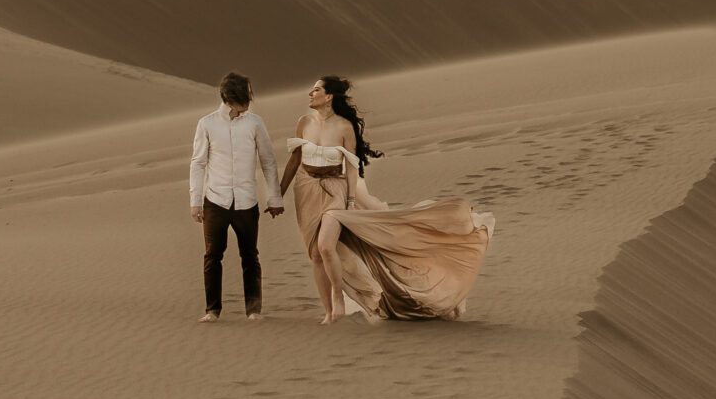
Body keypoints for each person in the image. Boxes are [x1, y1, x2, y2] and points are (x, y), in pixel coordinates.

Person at [278, 75, 492, 324]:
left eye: (316, 90)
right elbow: (294, 160)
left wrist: (348, 202)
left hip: (335, 189)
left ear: (329, 97)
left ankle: (338, 294)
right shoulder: (303, 122)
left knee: (326, 246)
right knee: (315, 254)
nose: (310, 94)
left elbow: (350, 168)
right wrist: (277, 194)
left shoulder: (345, 127)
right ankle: (329, 312)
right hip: (306, 189)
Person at [188, 72, 281, 322]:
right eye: (243, 97)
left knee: (250, 255)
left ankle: (253, 310)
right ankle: (212, 310)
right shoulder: (206, 123)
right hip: (215, 200)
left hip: (246, 201)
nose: (248, 102)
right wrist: (195, 201)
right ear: (229, 97)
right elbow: (198, 163)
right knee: (212, 256)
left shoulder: (255, 123)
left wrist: (275, 199)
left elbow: (268, 162)